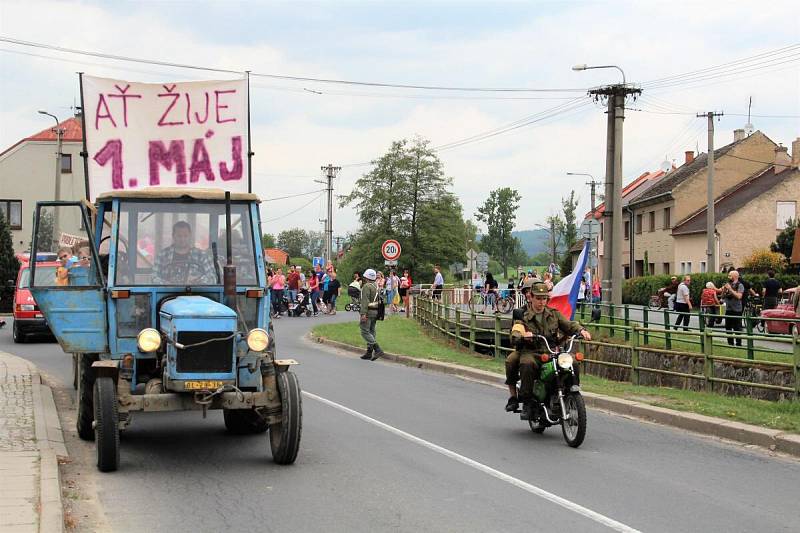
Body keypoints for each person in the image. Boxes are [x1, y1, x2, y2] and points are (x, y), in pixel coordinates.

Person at [504, 279, 591, 415]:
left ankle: (572, 390)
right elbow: (516, 330)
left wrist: (581, 330)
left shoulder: (554, 314)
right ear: (531, 297)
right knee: (526, 363)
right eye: (538, 298)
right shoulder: (523, 316)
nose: (541, 302)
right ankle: (527, 401)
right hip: (531, 351)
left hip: (552, 352)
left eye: (544, 298)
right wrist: (521, 336)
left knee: (572, 361)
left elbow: (568, 324)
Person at [359, 268, 384, 361]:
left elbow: (365, 301)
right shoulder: (376, 286)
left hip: (368, 312)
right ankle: (369, 352)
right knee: (372, 330)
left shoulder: (366, 286)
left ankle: (377, 349)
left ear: (366, 277)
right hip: (375, 311)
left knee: (364, 331)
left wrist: (363, 314)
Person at [721, 270, 745, 346]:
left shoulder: (740, 285)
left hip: (736, 310)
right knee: (728, 327)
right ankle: (730, 343)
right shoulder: (728, 284)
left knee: (737, 328)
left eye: (730, 275)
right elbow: (722, 297)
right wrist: (724, 290)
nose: (728, 277)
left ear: (735, 276)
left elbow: (739, 296)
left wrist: (730, 289)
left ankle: (738, 343)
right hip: (728, 309)